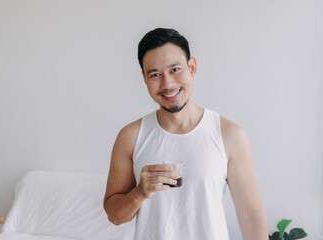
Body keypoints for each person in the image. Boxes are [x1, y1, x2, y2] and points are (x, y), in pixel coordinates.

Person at [103, 27, 268, 240]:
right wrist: (139, 193)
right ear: (144, 78)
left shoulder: (229, 135)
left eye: (175, 69)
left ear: (192, 67)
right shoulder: (130, 137)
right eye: (155, 75)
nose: (167, 84)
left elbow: (251, 217)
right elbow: (114, 216)